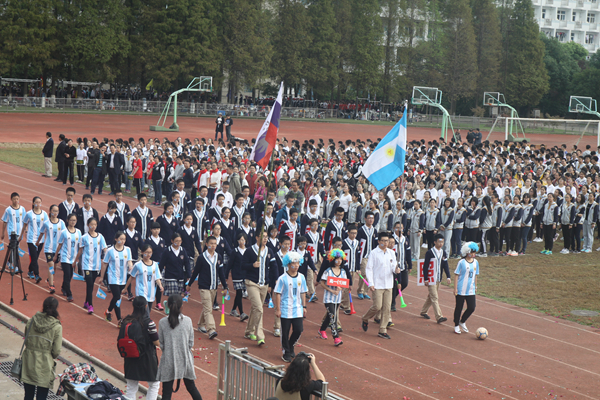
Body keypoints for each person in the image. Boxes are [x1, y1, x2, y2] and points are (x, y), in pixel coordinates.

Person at [157, 295, 203, 400]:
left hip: (168, 360)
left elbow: (162, 343)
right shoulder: (188, 321)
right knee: (191, 387)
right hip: (185, 359)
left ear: (167, 305)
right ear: (181, 306)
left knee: (167, 392)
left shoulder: (162, 322)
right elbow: (190, 343)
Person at [21, 297, 63, 400]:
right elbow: (56, 351)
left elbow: (26, 340)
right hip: (45, 364)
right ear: (56, 308)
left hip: (29, 362)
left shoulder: (31, 321)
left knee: (28, 395)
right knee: (42, 397)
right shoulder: (57, 327)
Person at [187, 235, 228, 339]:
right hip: (204, 287)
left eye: (215, 244)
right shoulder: (201, 258)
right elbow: (196, 272)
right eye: (211, 244)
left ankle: (201, 324)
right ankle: (211, 329)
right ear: (206, 244)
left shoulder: (218, 257)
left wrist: (225, 286)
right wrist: (189, 284)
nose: (213, 246)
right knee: (208, 309)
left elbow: (221, 272)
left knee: (207, 307)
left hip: (214, 287)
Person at [119, 296, 160, 400]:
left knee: (131, 387)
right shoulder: (149, 322)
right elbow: (156, 341)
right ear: (146, 306)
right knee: (154, 384)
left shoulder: (126, 321)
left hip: (130, 358)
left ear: (133, 306)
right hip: (147, 358)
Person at [361, 232, 400, 339]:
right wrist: (371, 283)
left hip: (388, 284)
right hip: (377, 284)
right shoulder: (374, 253)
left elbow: (393, 267)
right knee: (377, 306)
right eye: (383, 241)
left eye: (387, 241)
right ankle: (365, 318)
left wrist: (396, 270)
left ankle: (382, 329)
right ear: (378, 241)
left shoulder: (391, 253)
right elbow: (369, 269)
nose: (385, 243)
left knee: (387, 308)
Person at [274, 251, 307, 362]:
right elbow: (278, 293)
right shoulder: (282, 278)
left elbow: (303, 292)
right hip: (285, 309)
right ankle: (286, 352)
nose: (296, 265)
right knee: (285, 332)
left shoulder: (301, 277)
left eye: (298, 263)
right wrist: (278, 309)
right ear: (288, 264)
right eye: (294, 263)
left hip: (297, 309)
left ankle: (290, 345)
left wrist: (304, 306)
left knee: (298, 329)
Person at [76, 217, 107, 314]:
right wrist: (75, 261)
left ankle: (86, 302)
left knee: (91, 285)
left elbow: (105, 249)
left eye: (95, 224)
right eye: (91, 224)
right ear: (88, 225)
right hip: (87, 265)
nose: (93, 226)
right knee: (89, 284)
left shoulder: (100, 237)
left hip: (96, 265)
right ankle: (91, 306)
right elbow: (80, 250)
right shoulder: (84, 237)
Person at [102, 231, 133, 326]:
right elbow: (105, 263)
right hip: (112, 277)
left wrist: (131, 267)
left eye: (124, 239)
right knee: (117, 296)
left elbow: (129, 261)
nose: (123, 241)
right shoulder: (110, 250)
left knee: (117, 299)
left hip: (123, 277)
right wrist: (101, 277)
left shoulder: (127, 249)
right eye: (121, 239)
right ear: (116, 239)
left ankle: (108, 311)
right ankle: (119, 319)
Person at [420, 233, 451, 324]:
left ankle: (423, 311)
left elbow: (445, 265)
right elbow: (425, 266)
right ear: (435, 242)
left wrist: (448, 276)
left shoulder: (443, 252)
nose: (441, 244)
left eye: (442, 242)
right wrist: (426, 279)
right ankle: (439, 316)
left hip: (438, 279)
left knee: (431, 296)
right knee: (435, 297)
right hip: (431, 279)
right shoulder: (429, 253)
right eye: (439, 242)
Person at [318, 249, 347, 346]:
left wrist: (340, 288)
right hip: (328, 298)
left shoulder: (343, 272)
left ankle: (322, 329)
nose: (339, 261)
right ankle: (336, 338)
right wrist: (331, 290)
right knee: (333, 317)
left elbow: (344, 283)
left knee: (330, 316)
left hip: (337, 299)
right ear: (332, 260)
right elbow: (322, 283)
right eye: (337, 259)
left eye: (340, 259)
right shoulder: (328, 271)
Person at [53, 213, 81, 302]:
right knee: (67, 274)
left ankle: (64, 287)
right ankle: (69, 294)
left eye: (74, 220)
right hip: (65, 257)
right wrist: (55, 255)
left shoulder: (78, 232)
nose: (73, 222)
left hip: (74, 258)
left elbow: (80, 246)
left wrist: (78, 258)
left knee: (70, 276)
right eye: (71, 220)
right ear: (68, 220)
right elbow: (60, 244)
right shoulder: (64, 232)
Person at [453, 242, 480, 334]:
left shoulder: (476, 262)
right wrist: (455, 288)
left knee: (472, 307)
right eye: (471, 252)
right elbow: (456, 275)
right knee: (459, 307)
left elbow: (476, 275)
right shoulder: (461, 262)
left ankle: (462, 321)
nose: (473, 254)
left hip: (471, 289)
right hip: (461, 289)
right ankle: (456, 325)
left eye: (474, 252)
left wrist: (475, 286)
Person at [20, 196, 48, 283]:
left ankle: (30, 271)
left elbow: (47, 225)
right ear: (33, 203)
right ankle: (37, 275)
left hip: (41, 239)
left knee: (35, 256)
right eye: (36, 202)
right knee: (34, 257)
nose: (38, 204)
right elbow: (24, 224)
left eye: (39, 202)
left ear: (41, 203)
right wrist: (21, 235)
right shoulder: (29, 214)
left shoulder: (44, 214)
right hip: (31, 239)